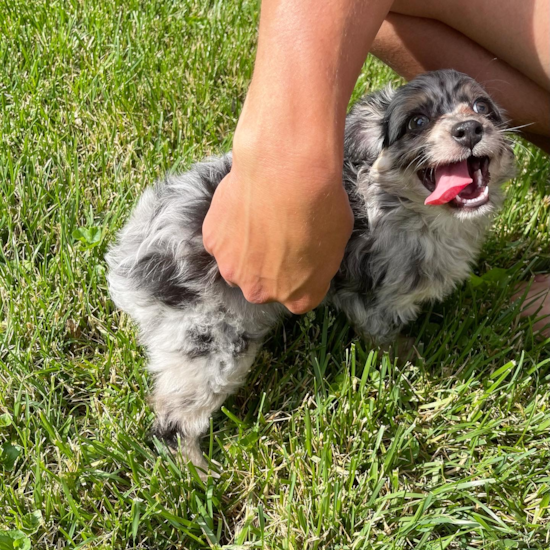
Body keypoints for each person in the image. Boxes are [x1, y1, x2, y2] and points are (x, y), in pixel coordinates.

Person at [202, 0, 550, 336]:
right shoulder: (391, 251)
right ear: (368, 142)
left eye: (480, 108)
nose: (468, 124)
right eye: (417, 122)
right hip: (205, 291)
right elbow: (368, 301)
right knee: (375, 12)